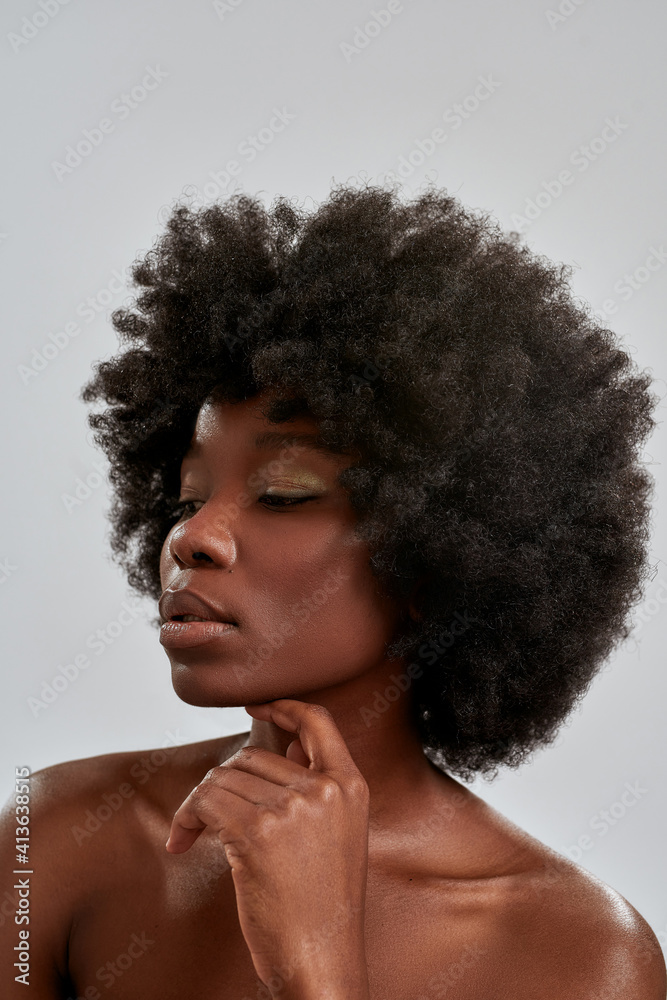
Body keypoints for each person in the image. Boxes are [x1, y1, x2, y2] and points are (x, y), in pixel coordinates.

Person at [1, 182, 665, 999]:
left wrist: (315, 974)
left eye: (283, 495)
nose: (191, 537)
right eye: (185, 497)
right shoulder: (54, 835)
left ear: (435, 559)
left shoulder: (579, 958)